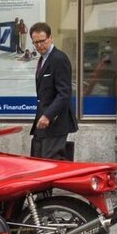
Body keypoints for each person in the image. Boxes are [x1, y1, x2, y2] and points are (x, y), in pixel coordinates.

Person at [29, 22, 78, 160]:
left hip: (55, 122)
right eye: (35, 42)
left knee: (50, 162)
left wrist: (48, 115)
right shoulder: (43, 60)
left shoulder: (58, 58)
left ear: (50, 38)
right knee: (37, 159)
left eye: (42, 41)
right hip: (43, 121)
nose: (39, 45)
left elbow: (64, 93)